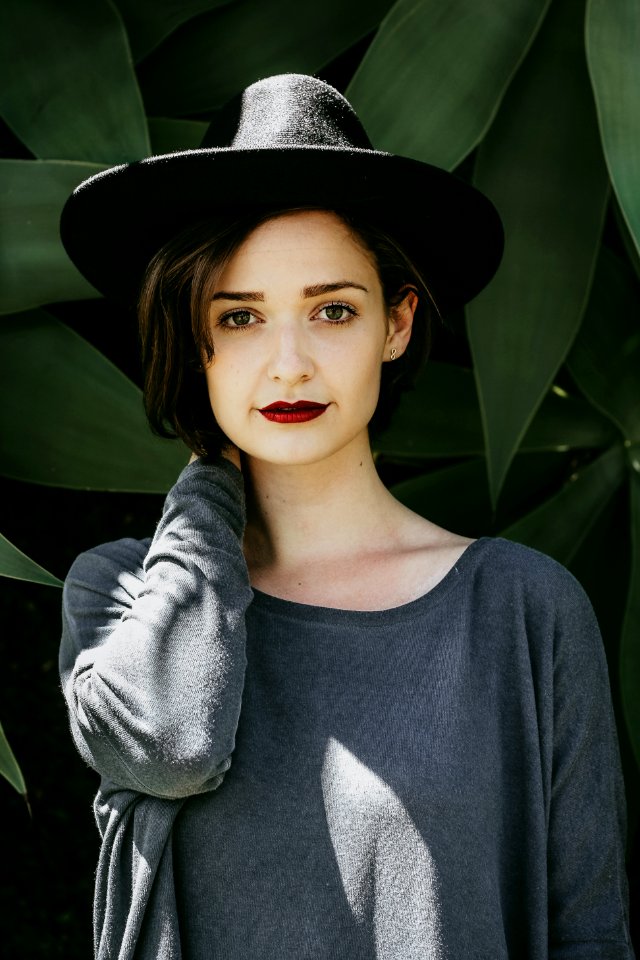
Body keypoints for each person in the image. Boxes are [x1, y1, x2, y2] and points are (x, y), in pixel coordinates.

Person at [58, 74, 634, 960]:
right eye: (240, 318)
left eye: (332, 310)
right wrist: (213, 477)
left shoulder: (525, 611)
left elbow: (592, 936)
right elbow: (173, 742)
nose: (287, 365)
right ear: (192, 337)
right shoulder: (123, 596)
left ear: (397, 325)